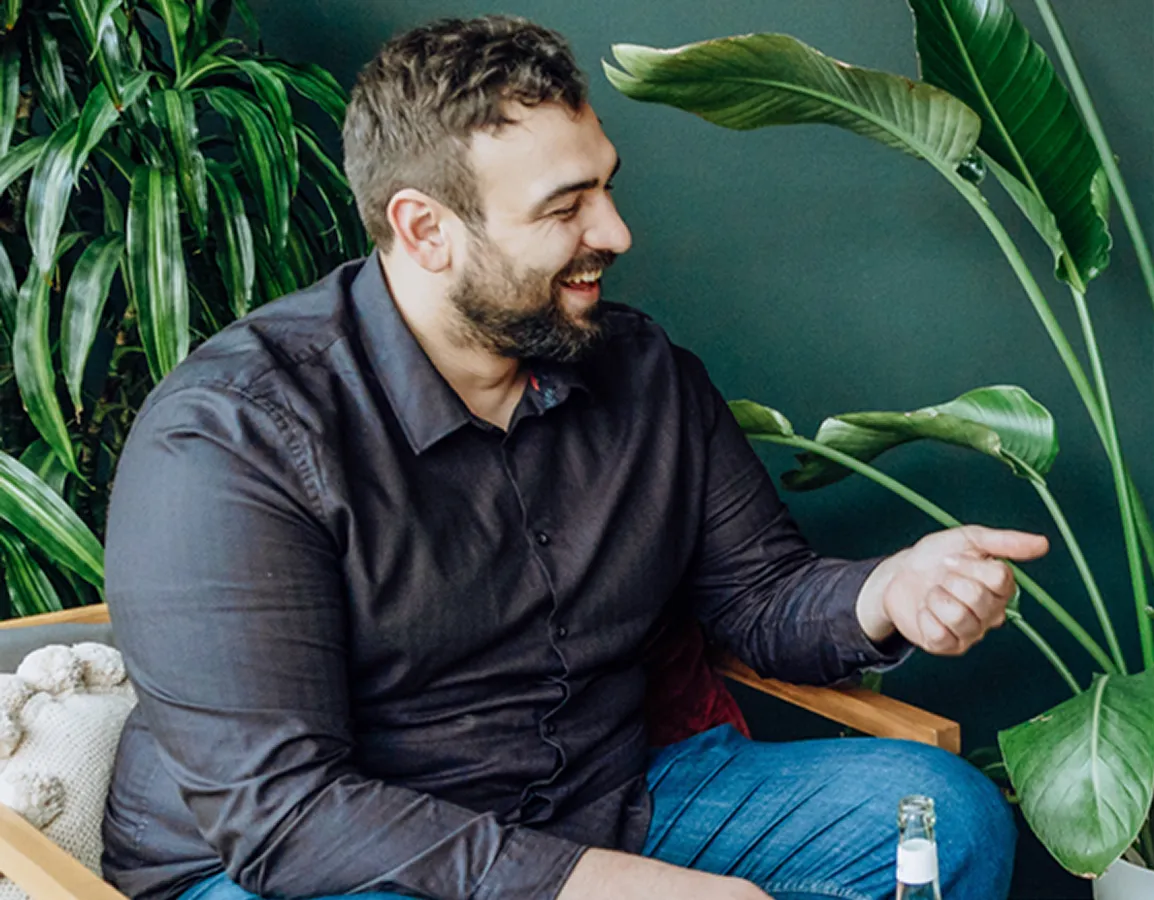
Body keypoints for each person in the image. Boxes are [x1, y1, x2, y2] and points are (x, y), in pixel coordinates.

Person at [101, 16, 1039, 900]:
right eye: (565, 208)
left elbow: (760, 598)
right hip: (336, 863)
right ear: (426, 229)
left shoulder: (642, 372)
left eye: (606, 185)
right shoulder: (230, 436)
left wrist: (893, 593)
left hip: (606, 803)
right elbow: (285, 814)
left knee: (943, 818)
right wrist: (595, 887)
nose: (616, 234)